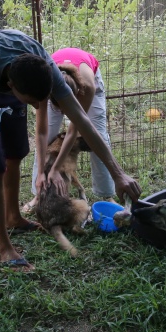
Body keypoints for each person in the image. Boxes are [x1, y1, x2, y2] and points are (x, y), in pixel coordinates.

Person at [0, 29, 141, 272]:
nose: (35, 107)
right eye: (32, 102)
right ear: (11, 86)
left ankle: (13, 218)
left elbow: (82, 122)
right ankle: (4, 247)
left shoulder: (48, 69)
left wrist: (118, 174)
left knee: (16, 153)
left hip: (11, 85)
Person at [25, 48, 116, 211]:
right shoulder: (44, 86)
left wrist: (54, 168)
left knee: (98, 136)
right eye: (59, 108)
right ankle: (39, 194)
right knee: (49, 136)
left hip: (87, 77)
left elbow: (74, 131)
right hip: (53, 81)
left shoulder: (86, 87)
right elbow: (41, 133)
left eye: (66, 108)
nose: (63, 112)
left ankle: (107, 194)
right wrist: (42, 173)